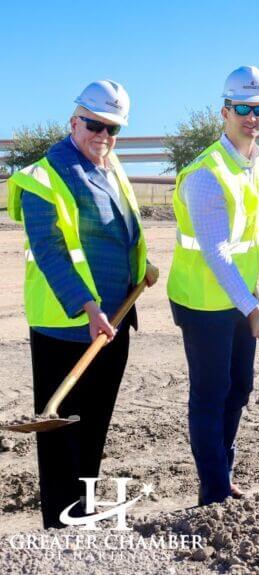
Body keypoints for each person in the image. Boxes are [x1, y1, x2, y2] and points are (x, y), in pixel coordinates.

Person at [7, 80, 157, 528]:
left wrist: (141, 267)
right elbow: (51, 252)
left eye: (113, 129)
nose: (104, 136)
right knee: (60, 438)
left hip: (115, 322)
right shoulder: (41, 177)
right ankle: (58, 527)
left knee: (93, 428)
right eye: (95, 125)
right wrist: (89, 308)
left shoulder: (112, 167)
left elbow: (121, 232)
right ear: (74, 120)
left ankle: (83, 516)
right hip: (66, 327)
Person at [167, 66, 259, 505]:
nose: (252, 117)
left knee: (241, 387)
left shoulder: (256, 159)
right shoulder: (206, 174)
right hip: (202, 301)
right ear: (225, 111)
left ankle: (221, 470)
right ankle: (213, 490)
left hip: (239, 294)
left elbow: (245, 241)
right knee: (211, 394)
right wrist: (251, 308)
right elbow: (215, 253)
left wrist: (250, 300)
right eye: (244, 109)